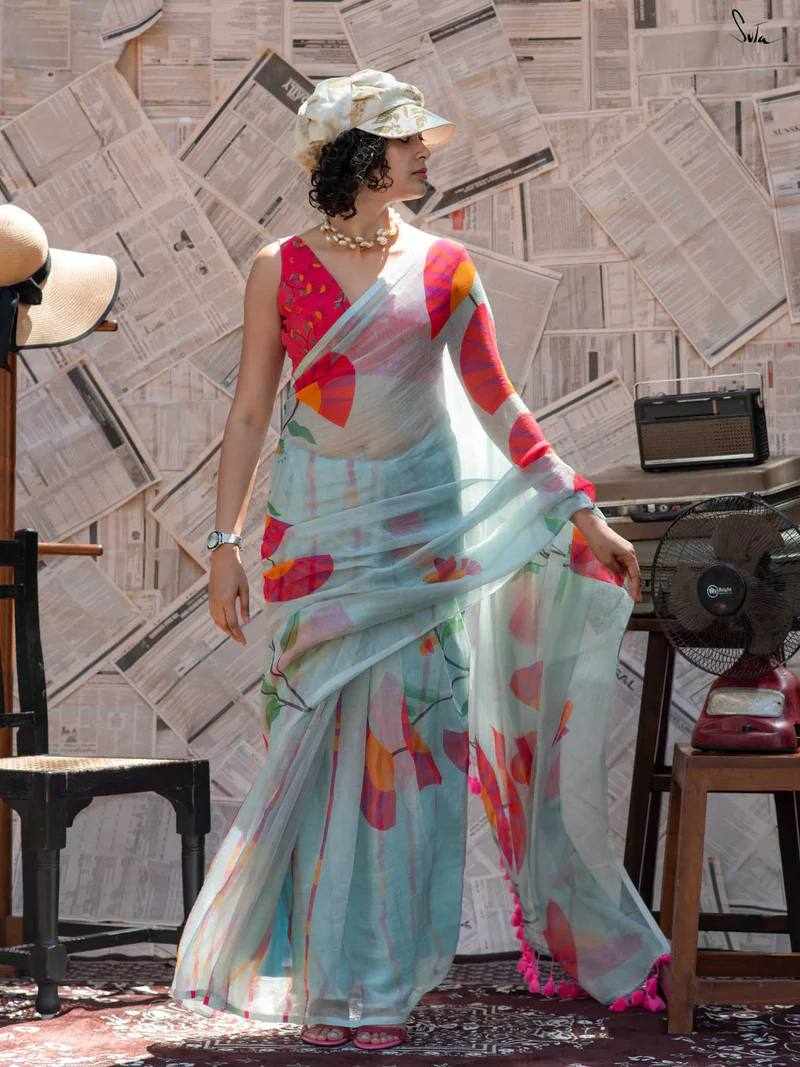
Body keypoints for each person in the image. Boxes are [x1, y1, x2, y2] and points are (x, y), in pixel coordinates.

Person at [169, 69, 671, 1051]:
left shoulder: (445, 268)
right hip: (316, 538)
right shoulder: (279, 267)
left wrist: (581, 512)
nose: (423, 156)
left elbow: (497, 400)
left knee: (405, 758)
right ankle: (322, 986)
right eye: (406, 141)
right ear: (358, 153)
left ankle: (384, 988)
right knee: (316, 755)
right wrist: (222, 545)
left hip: (419, 539)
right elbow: (251, 409)